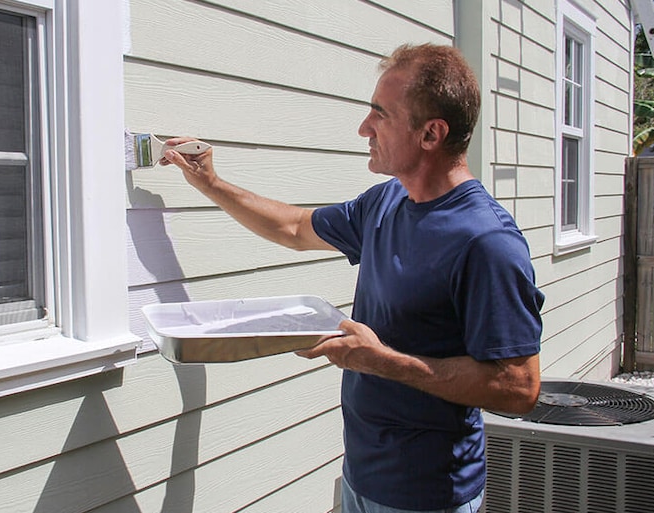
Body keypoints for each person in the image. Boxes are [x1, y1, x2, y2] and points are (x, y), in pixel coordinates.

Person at [161, 43, 544, 513]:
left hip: (427, 494)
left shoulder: (486, 242)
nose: (364, 128)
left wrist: (382, 361)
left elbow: (518, 388)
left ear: (431, 134)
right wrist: (210, 184)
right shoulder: (386, 203)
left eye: (380, 114)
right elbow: (294, 227)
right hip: (363, 474)